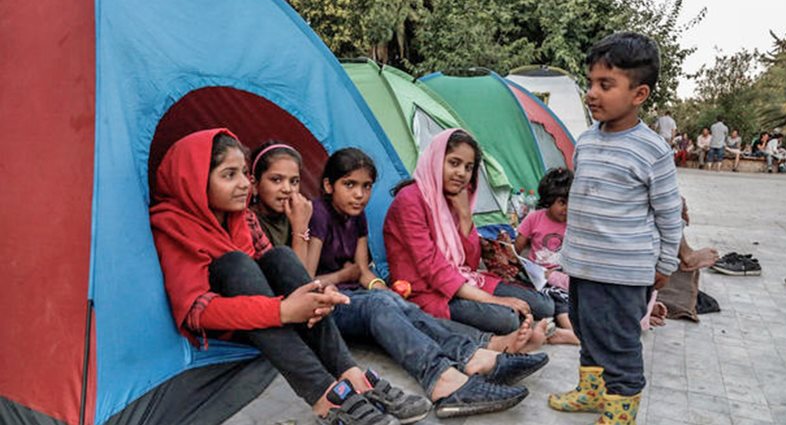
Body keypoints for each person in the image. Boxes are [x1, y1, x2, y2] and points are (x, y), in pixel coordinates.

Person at [249, 143, 542, 419]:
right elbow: (304, 283)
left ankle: (474, 354)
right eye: (276, 180)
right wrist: (328, 259)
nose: (287, 189)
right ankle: (443, 379)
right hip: (318, 305)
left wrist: (380, 286)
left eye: (294, 181)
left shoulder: (323, 213)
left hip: (343, 295)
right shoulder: (307, 216)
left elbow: (361, 270)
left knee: (390, 300)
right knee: (378, 305)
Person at [150, 129, 409, 425]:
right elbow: (197, 312)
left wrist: (315, 296)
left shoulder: (241, 219)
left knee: (280, 257)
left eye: (244, 173)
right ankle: (324, 397)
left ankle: (349, 372)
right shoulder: (173, 225)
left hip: (265, 311)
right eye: (229, 175)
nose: (243, 184)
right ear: (194, 180)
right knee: (236, 264)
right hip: (225, 324)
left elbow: (281, 271)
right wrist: (283, 310)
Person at [547, 32, 682, 425]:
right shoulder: (586, 141)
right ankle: (591, 392)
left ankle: (621, 411)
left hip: (623, 273)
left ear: (639, 94)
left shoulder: (652, 150)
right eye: (590, 82)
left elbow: (669, 213)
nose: (592, 93)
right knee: (587, 330)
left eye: (605, 85)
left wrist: (666, 263)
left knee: (619, 343)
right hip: (584, 265)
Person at [384, 129, 558, 336]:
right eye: (454, 163)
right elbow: (432, 268)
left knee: (545, 305)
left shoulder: (455, 198)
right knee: (506, 318)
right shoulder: (409, 200)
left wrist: (465, 215)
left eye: (468, 167)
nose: (461, 173)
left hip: (462, 278)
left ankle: (530, 328)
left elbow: (470, 263)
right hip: (425, 290)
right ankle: (530, 330)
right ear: (435, 160)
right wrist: (494, 300)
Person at [512, 168, 580, 345]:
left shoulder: (575, 223)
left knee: (564, 297)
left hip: (563, 276)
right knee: (552, 297)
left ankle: (572, 332)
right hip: (538, 276)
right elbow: (516, 249)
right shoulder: (534, 218)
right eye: (562, 202)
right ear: (549, 200)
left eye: (571, 202)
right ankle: (572, 332)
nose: (566, 208)